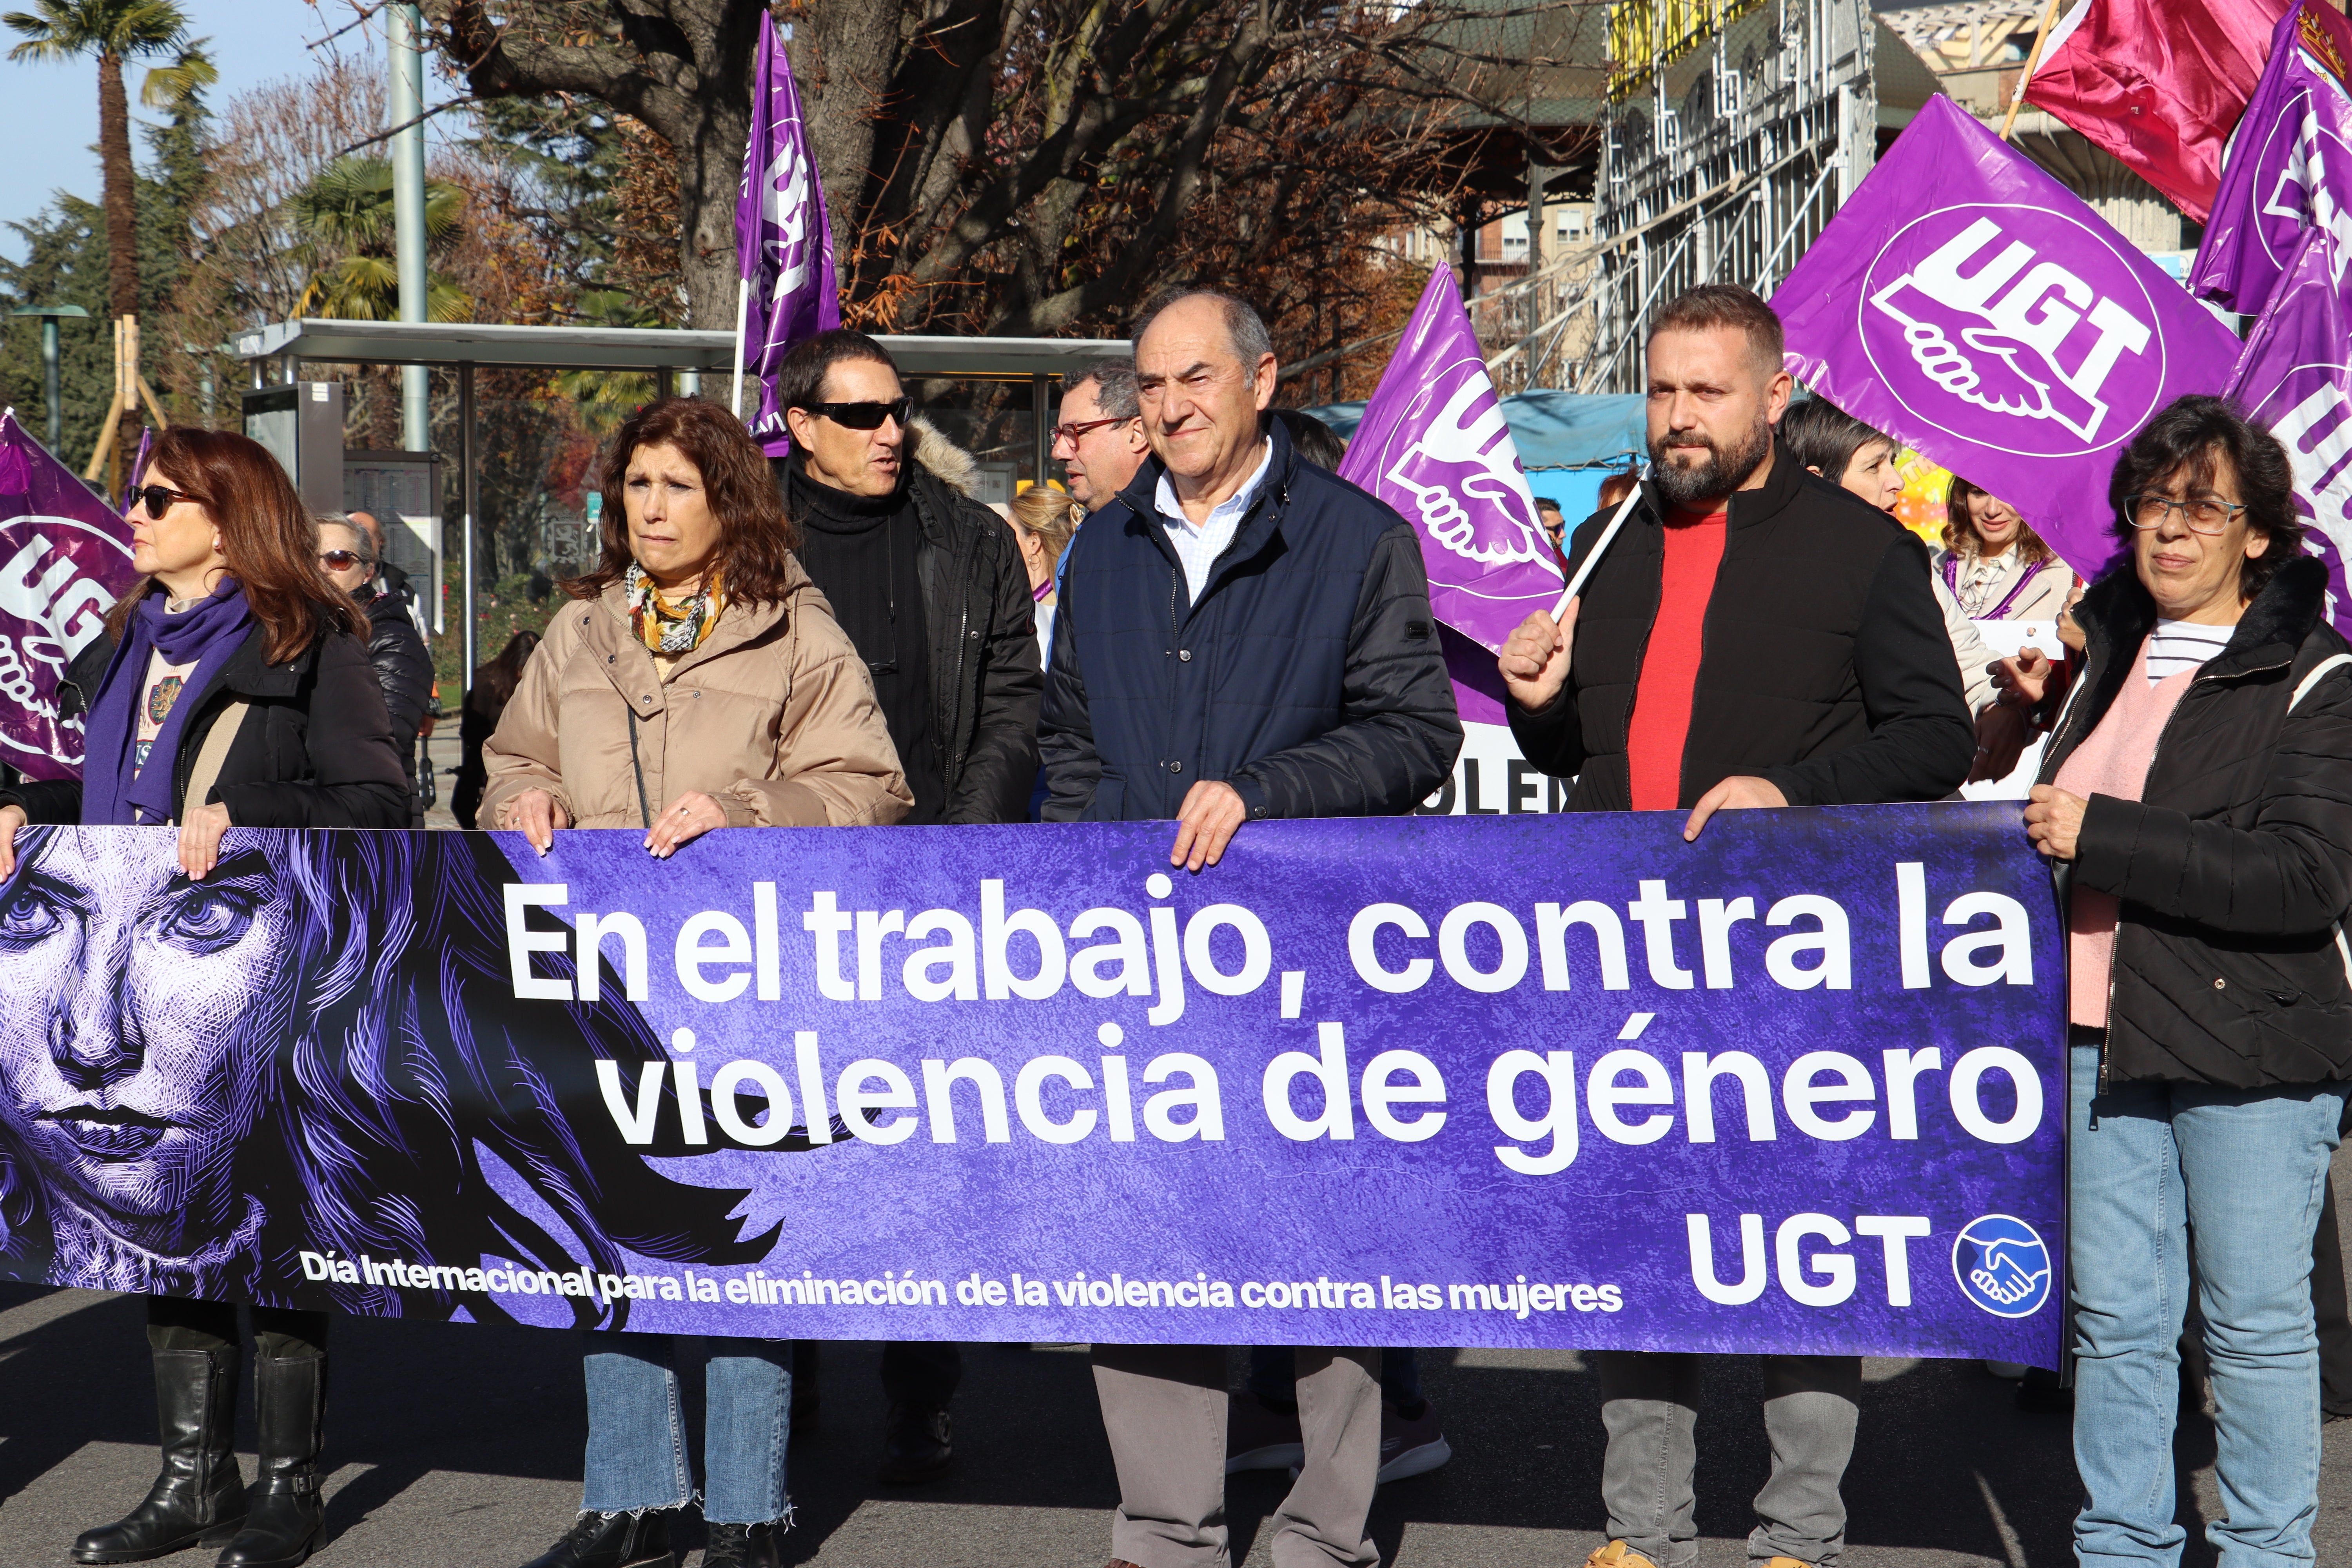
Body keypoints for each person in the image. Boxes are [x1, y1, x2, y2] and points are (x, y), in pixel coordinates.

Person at [1497, 285, 1972, 1568]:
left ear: (1775, 394)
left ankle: (1794, 1538)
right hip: (1625, 954)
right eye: (1661, 391)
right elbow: (1591, 749)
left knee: (1797, 1257)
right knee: (1642, 1248)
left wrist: (1793, 793)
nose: (1678, 420)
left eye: (1708, 392)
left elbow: (1939, 738)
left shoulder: (1864, 555)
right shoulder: (1613, 543)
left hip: (1793, 968)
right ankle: (1641, 1534)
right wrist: (1537, 706)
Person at [1040, 287, 1461, 1568]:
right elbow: (1069, 742)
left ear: (1263, 380)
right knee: (1150, 1245)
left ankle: (1324, 1537)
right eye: (1150, 383)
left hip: (1308, 956)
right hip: (1141, 958)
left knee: (1324, 1249)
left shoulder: (1355, 539)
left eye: (1195, 379)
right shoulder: (1104, 550)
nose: (1168, 405)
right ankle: (1164, 1533)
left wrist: (1270, 796)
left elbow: (1414, 733)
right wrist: (1078, 882)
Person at [485, 397, 911, 1568]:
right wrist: (523, 798)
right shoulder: (580, 632)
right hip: (598, 982)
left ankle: (745, 1507)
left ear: (728, 498)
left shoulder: (795, 631)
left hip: (747, 982)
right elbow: (511, 752)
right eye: (636, 487)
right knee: (606, 1234)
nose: (652, 509)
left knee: (737, 1236)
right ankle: (628, 1494)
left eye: (676, 485)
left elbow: (869, 790)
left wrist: (741, 809)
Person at [0, 427, 412, 1568]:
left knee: (272, 1226)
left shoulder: (308, 642)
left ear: (227, 523)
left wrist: (253, 825)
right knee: (161, 1226)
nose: (136, 511)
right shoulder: (126, 641)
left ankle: (289, 1486)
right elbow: (104, 787)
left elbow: (379, 805)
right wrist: (22, 803)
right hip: (118, 985)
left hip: (247, 990)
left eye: (160, 496)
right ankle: (191, 1479)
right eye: (139, 494)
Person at [2020, 395, 2352, 1566]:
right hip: (2094, 1035)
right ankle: (2121, 1547)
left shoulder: (2310, 679)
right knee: (2114, 1327)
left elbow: (2302, 879)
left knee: (2252, 1327)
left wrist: (2100, 835)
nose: (2167, 529)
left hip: (2249, 1046)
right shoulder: (2102, 653)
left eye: (2199, 506)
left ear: (2255, 531)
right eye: (2148, 503)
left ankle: (2267, 1552)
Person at [772, 328, 1043, 1488]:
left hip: (933, 879)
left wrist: (965, 840)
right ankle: (778, 1375)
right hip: (783, 887)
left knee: (920, 1147)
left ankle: (920, 1389)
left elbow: (1015, 704)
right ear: (800, 426)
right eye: (861, 415)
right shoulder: (747, 542)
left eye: (897, 409)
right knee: (782, 1140)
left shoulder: (967, 538)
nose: (891, 432)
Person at [1776, 398, 2039, 784]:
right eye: (1874, 467)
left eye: (1893, 463)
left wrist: (2007, 701)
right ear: (1817, 479)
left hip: (1880, 802)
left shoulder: (1906, 564)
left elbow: (1967, 664)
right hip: (1783, 806)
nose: (1896, 481)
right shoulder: (1767, 566)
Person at [318, 512, 433, 824]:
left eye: (338, 559)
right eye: (307, 556)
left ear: (367, 571)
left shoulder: (391, 637)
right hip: (310, 818)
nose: (321, 568)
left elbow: (384, 746)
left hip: (376, 824)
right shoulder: (292, 631)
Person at [1936, 476, 2073, 622]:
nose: (1992, 510)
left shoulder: (2068, 577)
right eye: (1980, 492)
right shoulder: (1932, 569)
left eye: (2008, 493)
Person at [452, 628, 542, 829]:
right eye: (523, 669)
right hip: (489, 755)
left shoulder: (539, 683)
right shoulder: (487, 680)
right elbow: (472, 730)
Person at [1053, 356, 1151, 512]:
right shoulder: (1092, 532)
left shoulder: (1179, 527)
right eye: (1060, 434)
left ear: (1137, 434)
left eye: (1076, 432)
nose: (1058, 452)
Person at [1010, 483, 1082, 663]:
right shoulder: (1071, 593)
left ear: (1034, 543)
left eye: (1009, 535)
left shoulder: (1057, 604)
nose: (1002, 543)